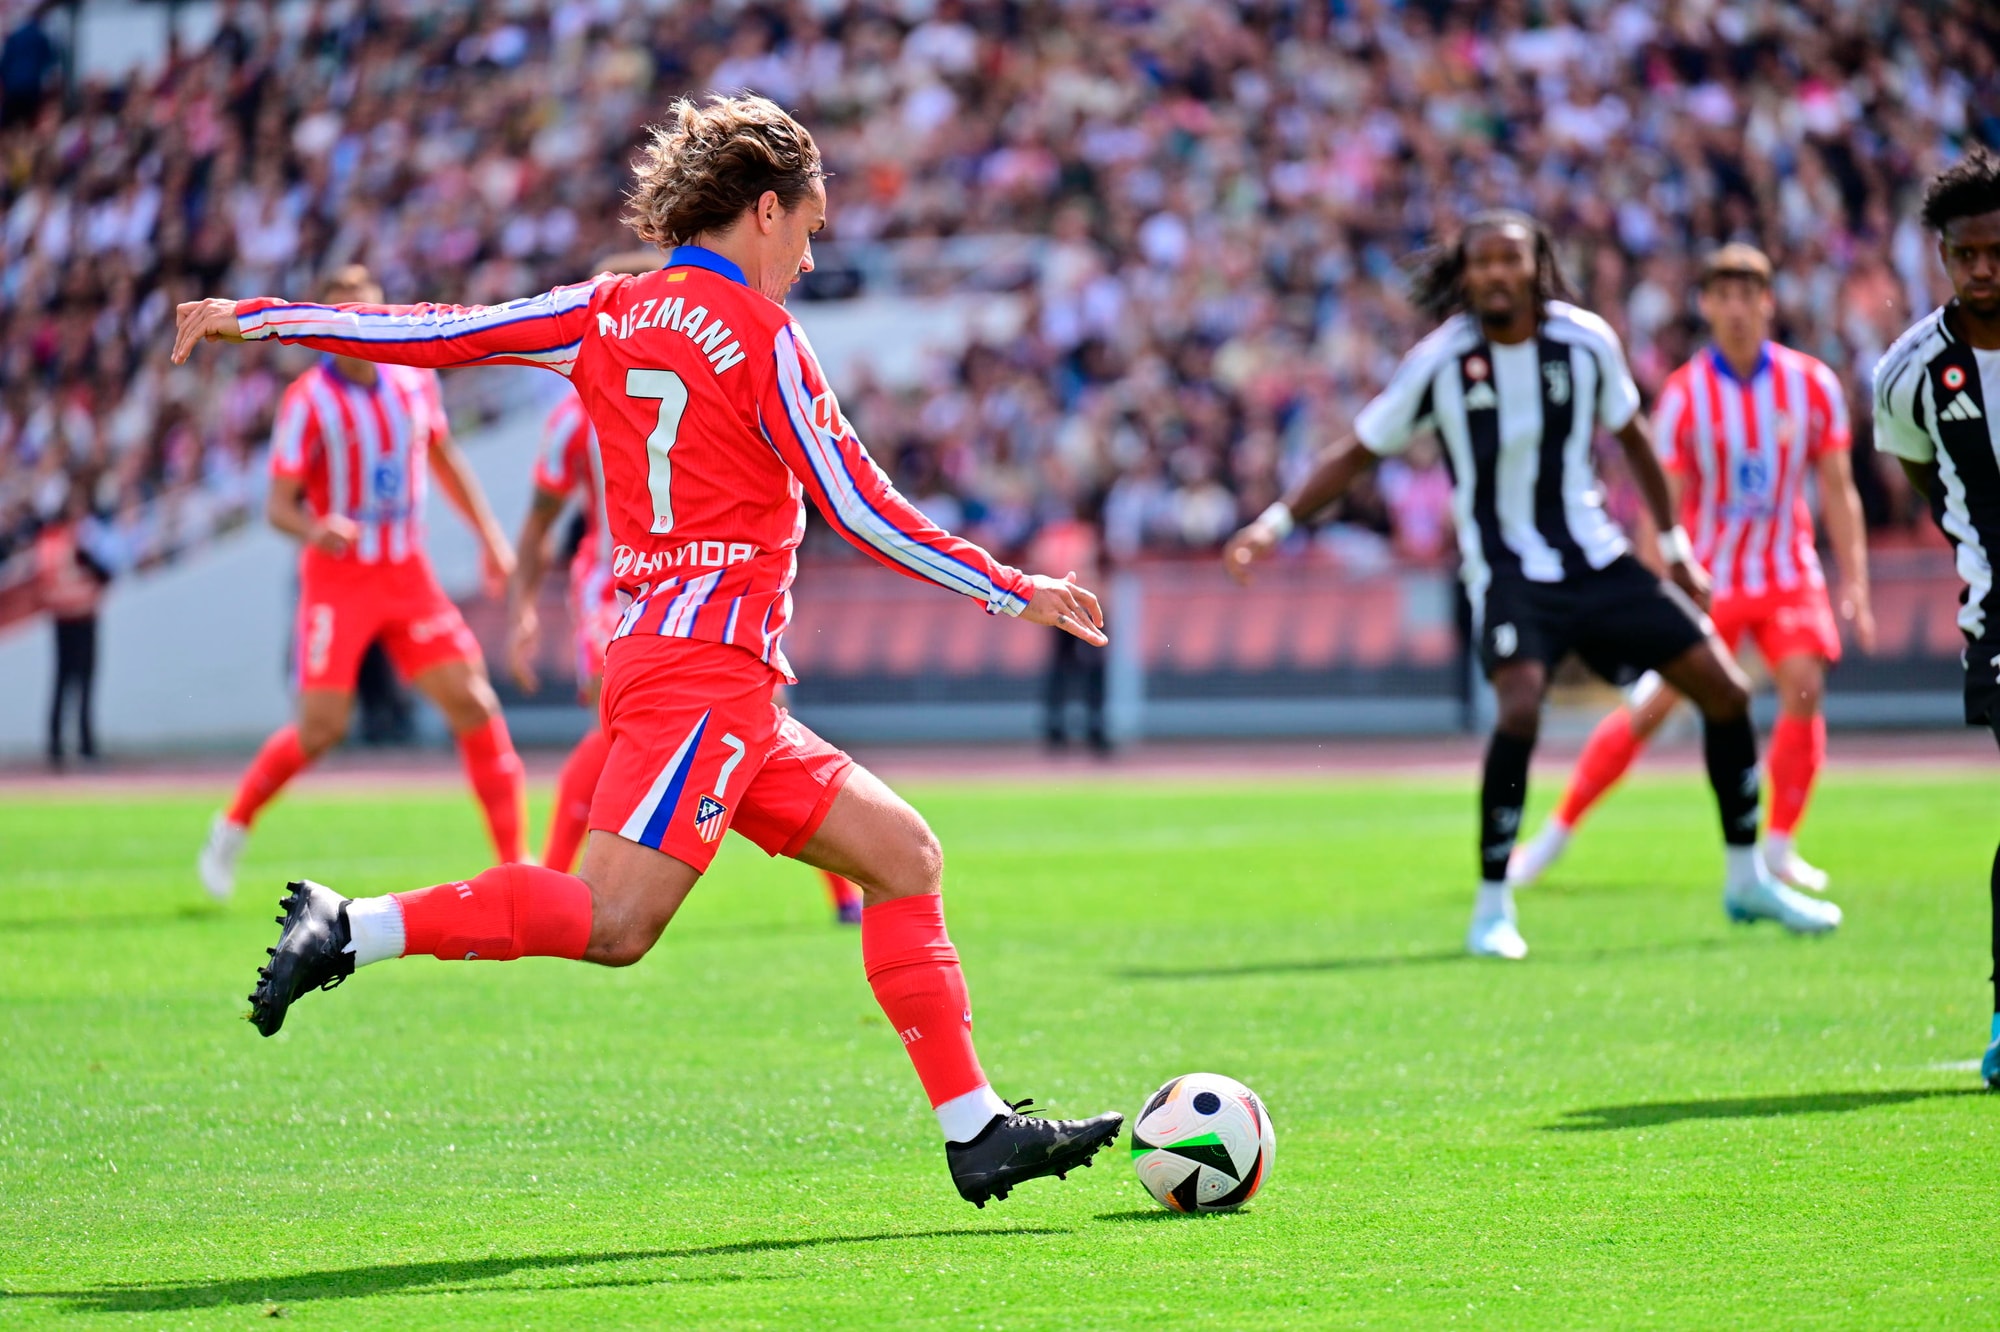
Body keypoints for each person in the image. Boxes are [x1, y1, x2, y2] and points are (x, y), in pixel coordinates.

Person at [171, 95, 1121, 1205]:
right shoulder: (764, 340)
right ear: (763, 210)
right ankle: (353, 926)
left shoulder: (603, 308)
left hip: (694, 673)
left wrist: (262, 320)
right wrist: (1011, 588)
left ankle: (977, 1131)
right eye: (810, 229)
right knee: (615, 921)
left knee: (904, 857)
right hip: (700, 676)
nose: (811, 259)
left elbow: (436, 330)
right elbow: (861, 508)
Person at [1224, 210, 1841, 959]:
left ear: (1535, 266)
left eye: (1509, 260)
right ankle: (1492, 905)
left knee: (1726, 692)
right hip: (1509, 571)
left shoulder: (1586, 342)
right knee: (1519, 708)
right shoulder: (1441, 360)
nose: (1495, 273)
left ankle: (1746, 878)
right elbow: (1358, 451)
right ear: (1465, 274)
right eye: (1482, 261)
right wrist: (1275, 524)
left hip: (1597, 558)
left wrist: (1676, 547)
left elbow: (1635, 439)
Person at [1511, 245, 1876, 894]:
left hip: (1787, 571)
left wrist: (1857, 583)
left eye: (1747, 296)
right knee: (1652, 710)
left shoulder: (1812, 384)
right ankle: (1554, 834)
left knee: (1804, 684)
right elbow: (1664, 505)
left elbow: (1839, 489)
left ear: (1767, 303)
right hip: (1709, 580)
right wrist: (1648, 596)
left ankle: (1779, 845)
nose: (1736, 310)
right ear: (1706, 306)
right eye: (1723, 296)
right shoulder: (1685, 395)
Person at [195, 265, 525, 901]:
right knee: (321, 728)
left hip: (406, 573)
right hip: (339, 580)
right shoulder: (308, 401)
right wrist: (315, 527)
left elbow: (443, 457)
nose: (359, 327)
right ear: (325, 326)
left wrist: (489, 535)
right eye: (345, 316)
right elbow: (277, 506)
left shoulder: (414, 379)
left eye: (368, 313)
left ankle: (516, 869)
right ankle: (231, 825)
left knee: (474, 704)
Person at [509, 349, 863, 920]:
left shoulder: (709, 390)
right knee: (619, 724)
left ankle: (845, 890)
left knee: (765, 713)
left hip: (707, 585)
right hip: (614, 588)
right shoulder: (573, 421)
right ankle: (548, 883)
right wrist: (521, 608)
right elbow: (539, 519)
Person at [1869, 147, 2000, 1085]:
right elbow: (1925, 477)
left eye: (1998, 252)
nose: (1983, 269)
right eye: (1966, 255)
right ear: (1942, 256)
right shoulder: (1909, 371)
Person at [37, 481, 111, 766]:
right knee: (74, 681)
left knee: (70, 682)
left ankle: (66, 745)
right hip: (75, 616)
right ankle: (73, 745)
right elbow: (98, 571)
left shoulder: (54, 539)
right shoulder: (73, 539)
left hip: (71, 616)